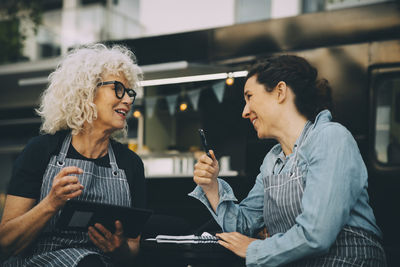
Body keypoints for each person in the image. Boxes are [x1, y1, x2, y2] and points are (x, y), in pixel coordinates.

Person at [189, 55, 387, 266]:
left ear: (280, 92)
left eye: (249, 97)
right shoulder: (272, 161)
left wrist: (254, 248)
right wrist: (211, 187)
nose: (244, 112)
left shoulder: (330, 137)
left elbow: (317, 234)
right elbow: (244, 227)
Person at [0, 44, 145, 267]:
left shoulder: (131, 164)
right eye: (118, 88)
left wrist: (119, 249)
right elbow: (6, 243)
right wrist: (51, 203)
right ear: (85, 91)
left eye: (129, 92)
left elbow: (133, 247)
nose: (127, 99)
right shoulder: (41, 151)